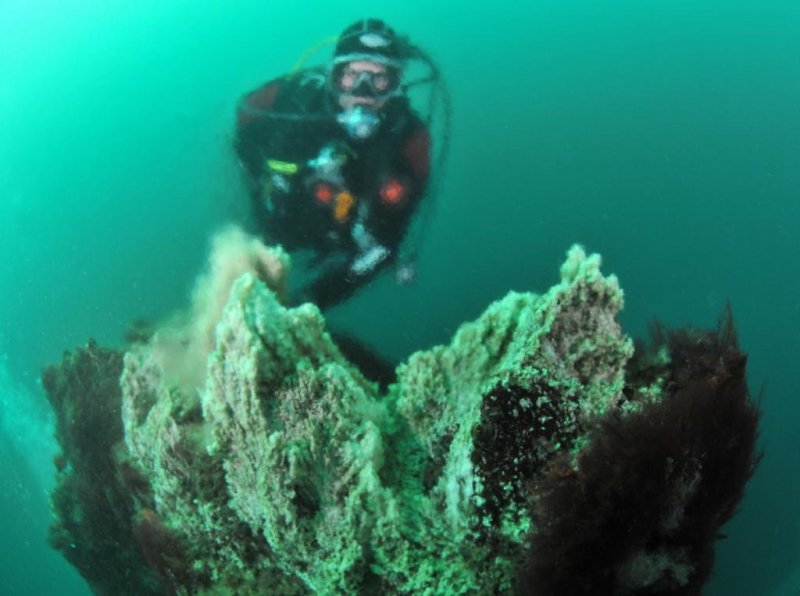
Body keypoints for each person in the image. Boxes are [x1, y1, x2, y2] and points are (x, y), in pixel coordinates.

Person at [234, 19, 437, 310]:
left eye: (379, 78)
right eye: (351, 75)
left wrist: (308, 303)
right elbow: (245, 115)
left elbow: (384, 246)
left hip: (342, 237)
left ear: (396, 85)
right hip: (280, 215)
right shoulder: (300, 98)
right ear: (334, 76)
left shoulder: (408, 139)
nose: (363, 91)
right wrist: (257, 178)